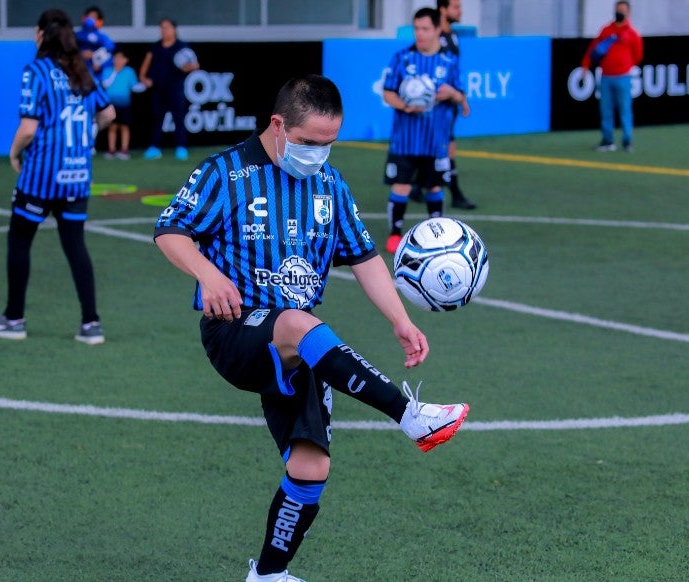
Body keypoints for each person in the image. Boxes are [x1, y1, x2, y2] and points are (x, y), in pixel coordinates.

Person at [154, 74, 469, 582]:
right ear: (278, 125)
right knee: (300, 321)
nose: (318, 155)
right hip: (235, 330)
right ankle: (410, 415)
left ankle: (269, 575)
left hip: (302, 345)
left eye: (329, 144)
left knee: (310, 468)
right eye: (308, 143)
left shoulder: (329, 184)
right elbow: (169, 230)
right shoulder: (225, 171)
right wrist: (207, 274)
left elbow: (365, 258)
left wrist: (400, 320)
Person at [0, 8, 115, 345]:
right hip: (77, 175)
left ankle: (14, 319)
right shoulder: (81, 70)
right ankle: (91, 324)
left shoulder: (36, 71)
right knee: (75, 245)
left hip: (40, 175)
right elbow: (108, 113)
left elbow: (28, 128)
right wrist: (87, 136)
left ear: (41, 35)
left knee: (20, 241)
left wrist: (12, 153)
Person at [382, 7, 466, 254]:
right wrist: (406, 105)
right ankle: (395, 235)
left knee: (435, 187)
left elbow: (462, 98)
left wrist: (453, 94)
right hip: (405, 140)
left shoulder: (449, 61)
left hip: (436, 140)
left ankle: (435, 236)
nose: (420, 33)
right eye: (416, 28)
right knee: (401, 185)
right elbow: (387, 92)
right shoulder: (401, 58)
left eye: (425, 28)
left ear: (437, 30)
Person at [581, 0, 643, 152]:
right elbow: (593, 48)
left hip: (623, 77)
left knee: (625, 110)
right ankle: (608, 140)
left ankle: (627, 141)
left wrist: (625, 66)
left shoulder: (632, 33)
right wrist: (585, 66)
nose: (619, 13)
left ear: (628, 13)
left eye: (622, 10)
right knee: (606, 110)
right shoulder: (606, 30)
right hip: (606, 77)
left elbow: (638, 55)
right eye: (618, 10)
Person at [138, 17, 199, 161]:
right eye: (162, 28)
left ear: (174, 29)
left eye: (167, 27)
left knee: (178, 118)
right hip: (158, 89)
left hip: (175, 88)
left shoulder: (182, 46)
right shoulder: (156, 46)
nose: (164, 30)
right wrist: (143, 77)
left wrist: (187, 67)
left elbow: (195, 65)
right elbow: (146, 64)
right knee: (157, 117)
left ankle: (181, 147)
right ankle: (154, 147)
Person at [437, 0, 476, 210]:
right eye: (455, 6)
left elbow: (455, 71)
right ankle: (456, 194)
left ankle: (418, 186)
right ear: (442, 9)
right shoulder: (436, 37)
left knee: (445, 146)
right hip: (438, 103)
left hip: (450, 101)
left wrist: (462, 98)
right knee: (446, 147)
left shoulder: (453, 35)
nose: (460, 11)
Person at [102, 49, 137, 160]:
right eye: (116, 58)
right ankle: (111, 150)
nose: (118, 60)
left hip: (124, 104)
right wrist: (114, 73)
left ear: (126, 60)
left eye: (121, 58)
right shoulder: (107, 71)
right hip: (110, 104)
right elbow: (105, 84)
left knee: (124, 126)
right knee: (112, 126)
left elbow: (135, 86)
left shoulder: (129, 71)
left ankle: (124, 150)